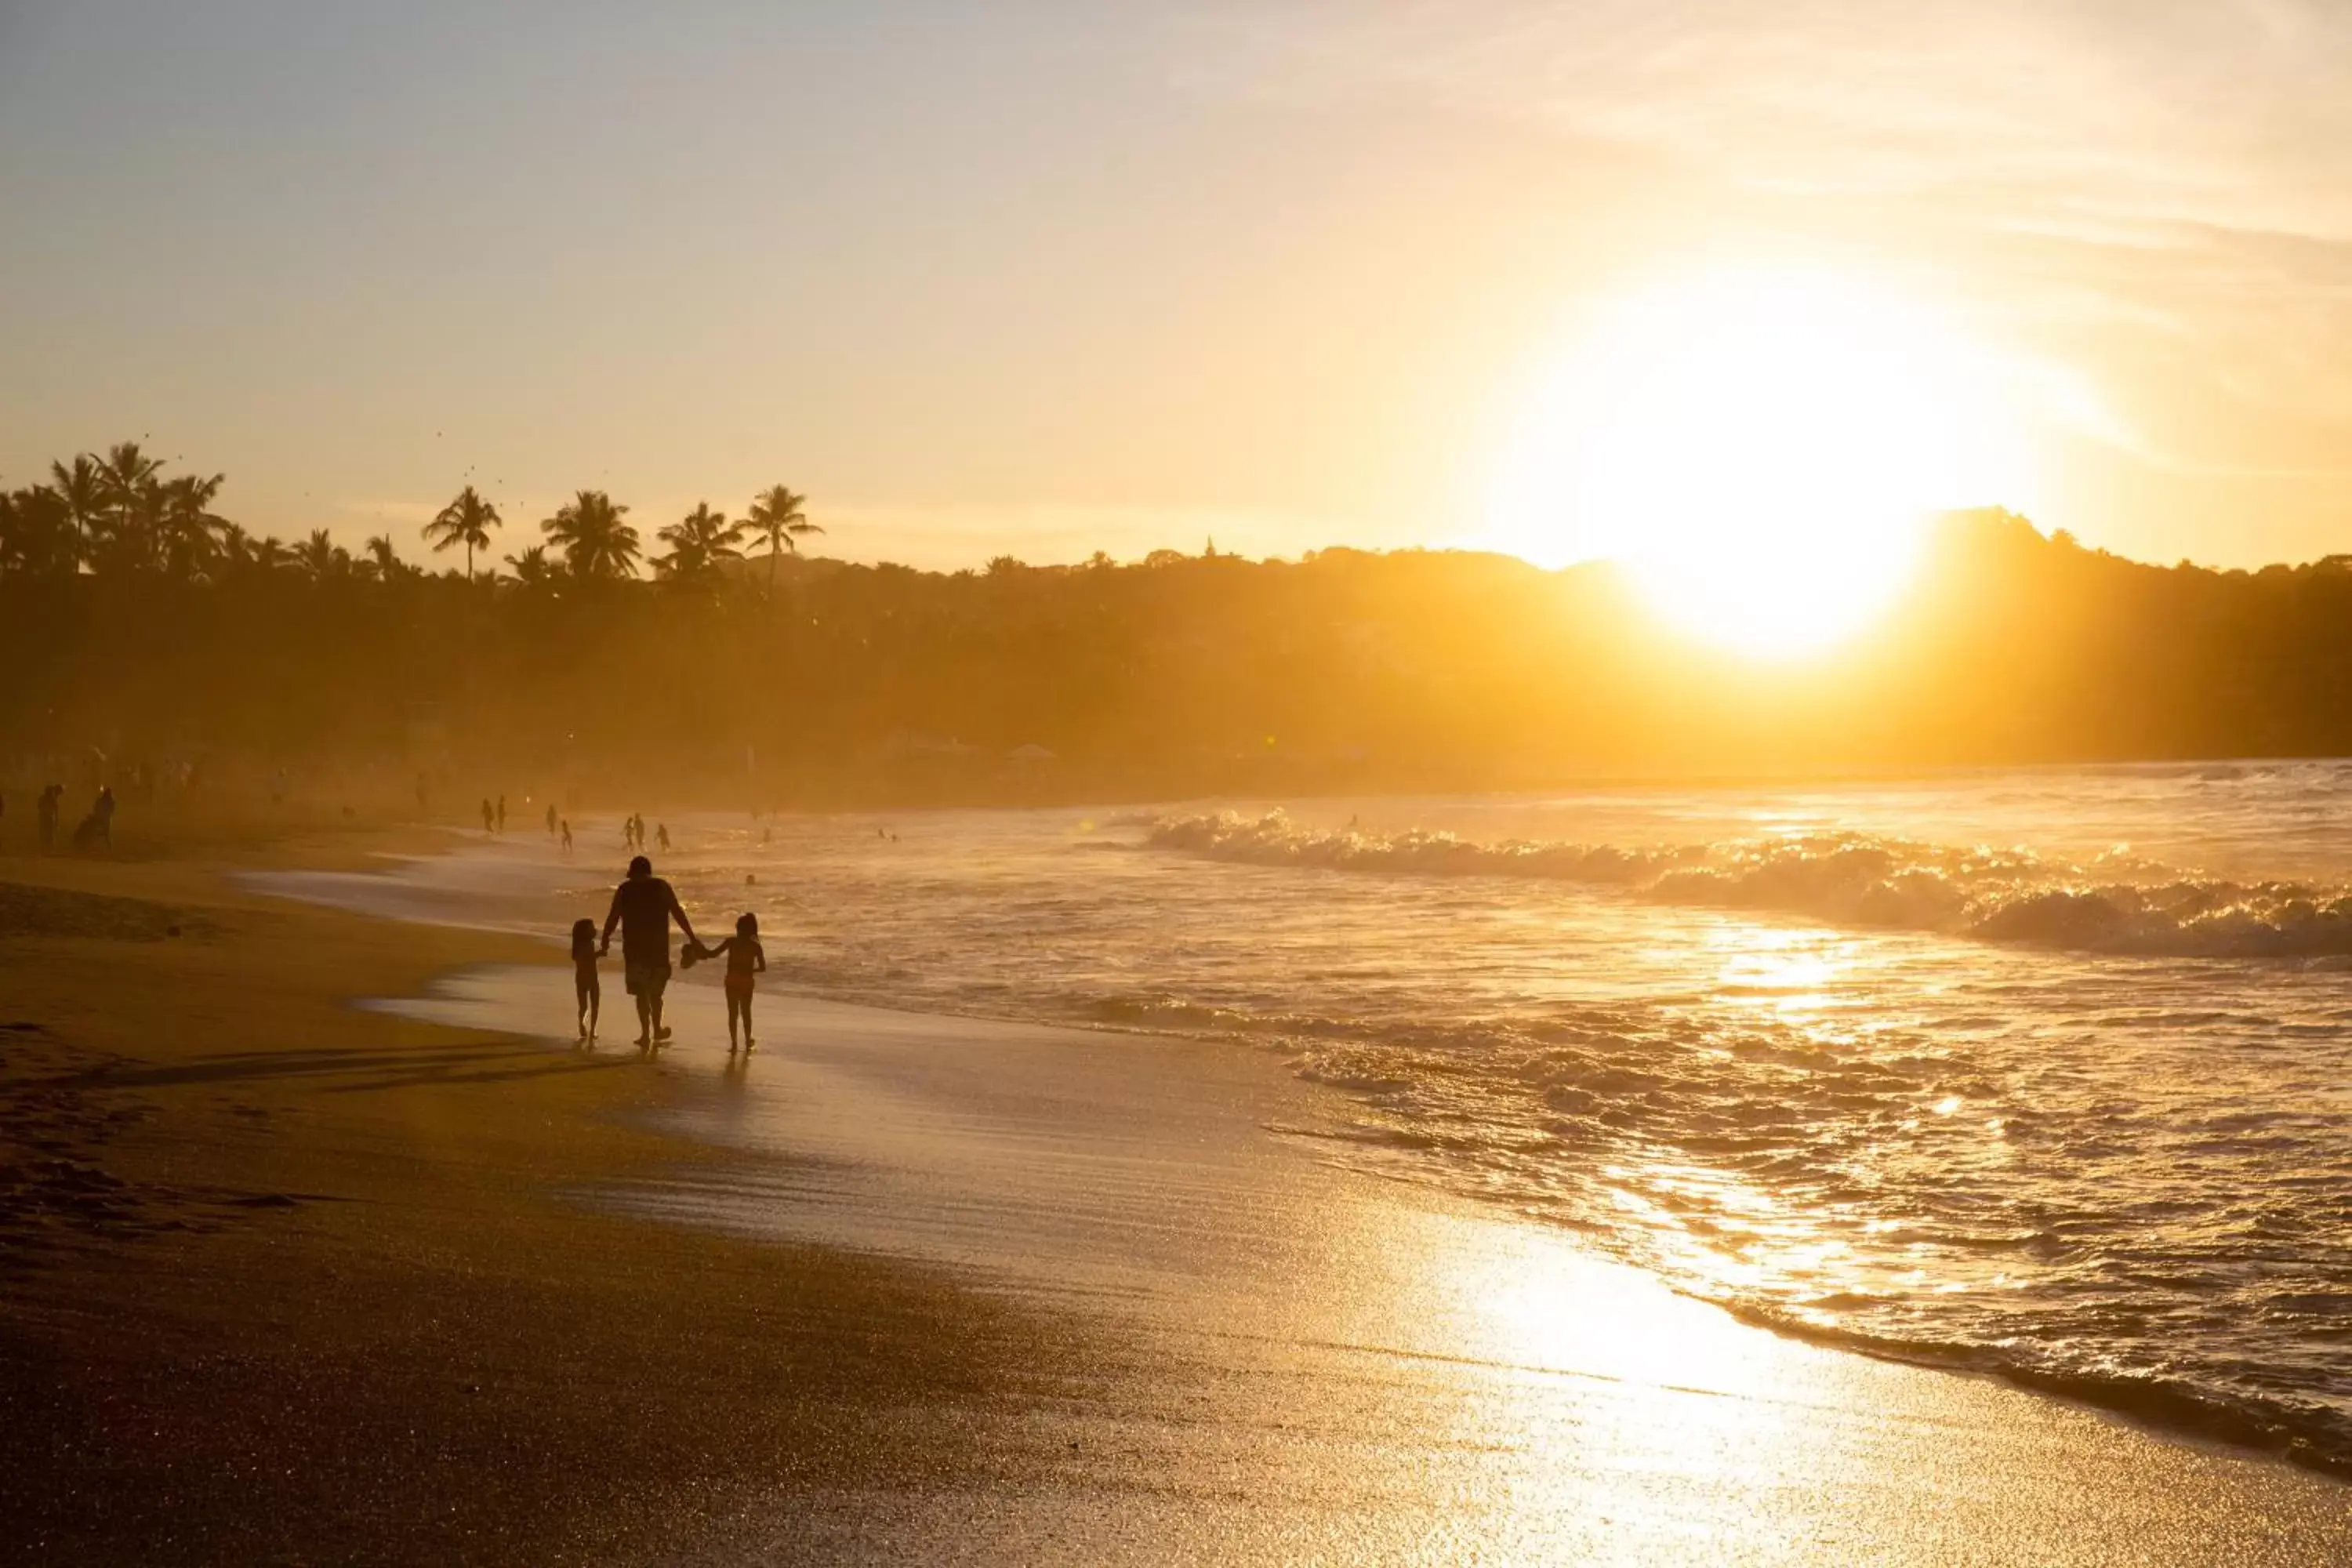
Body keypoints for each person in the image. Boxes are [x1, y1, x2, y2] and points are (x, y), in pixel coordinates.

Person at [599, 855, 700, 1048]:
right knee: (656, 993)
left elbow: (613, 916)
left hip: (634, 950)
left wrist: (605, 938)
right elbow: (677, 912)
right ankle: (657, 1029)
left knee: (641, 993)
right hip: (658, 949)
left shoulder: (625, 889)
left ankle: (645, 1034)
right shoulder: (661, 886)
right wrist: (692, 937)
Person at [702, 913, 768, 1052]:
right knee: (746, 1012)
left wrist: (699, 950)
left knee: (733, 1013)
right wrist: (751, 970)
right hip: (746, 980)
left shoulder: (731, 942)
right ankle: (748, 1041)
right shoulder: (755, 946)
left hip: (732, 979)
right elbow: (763, 968)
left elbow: (713, 954)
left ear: (738, 928)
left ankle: (734, 1044)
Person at [569, 918, 601, 1041]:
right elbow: (586, 960)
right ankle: (587, 1027)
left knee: (589, 1006)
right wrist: (598, 955)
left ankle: (589, 1028)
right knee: (589, 1006)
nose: (594, 930)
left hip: (586, 977)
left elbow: (586, 959)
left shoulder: (584, 944)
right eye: (591, 928)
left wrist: (597, 955)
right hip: (588, 977)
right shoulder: (583, 946)